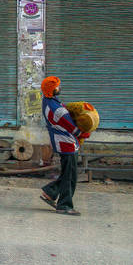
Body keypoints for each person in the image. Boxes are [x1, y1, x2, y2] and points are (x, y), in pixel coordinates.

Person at [39, 76, 89, 216]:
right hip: (66, 143)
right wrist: (85, 134)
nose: (59, 88)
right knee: (70, 177)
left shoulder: (48, 102)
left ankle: (50, 192)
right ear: (51, 90)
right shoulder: (56, 109)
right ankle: (64, 205)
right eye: (57, 86)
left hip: (63, 142)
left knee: (68, 173)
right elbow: (73, 128)